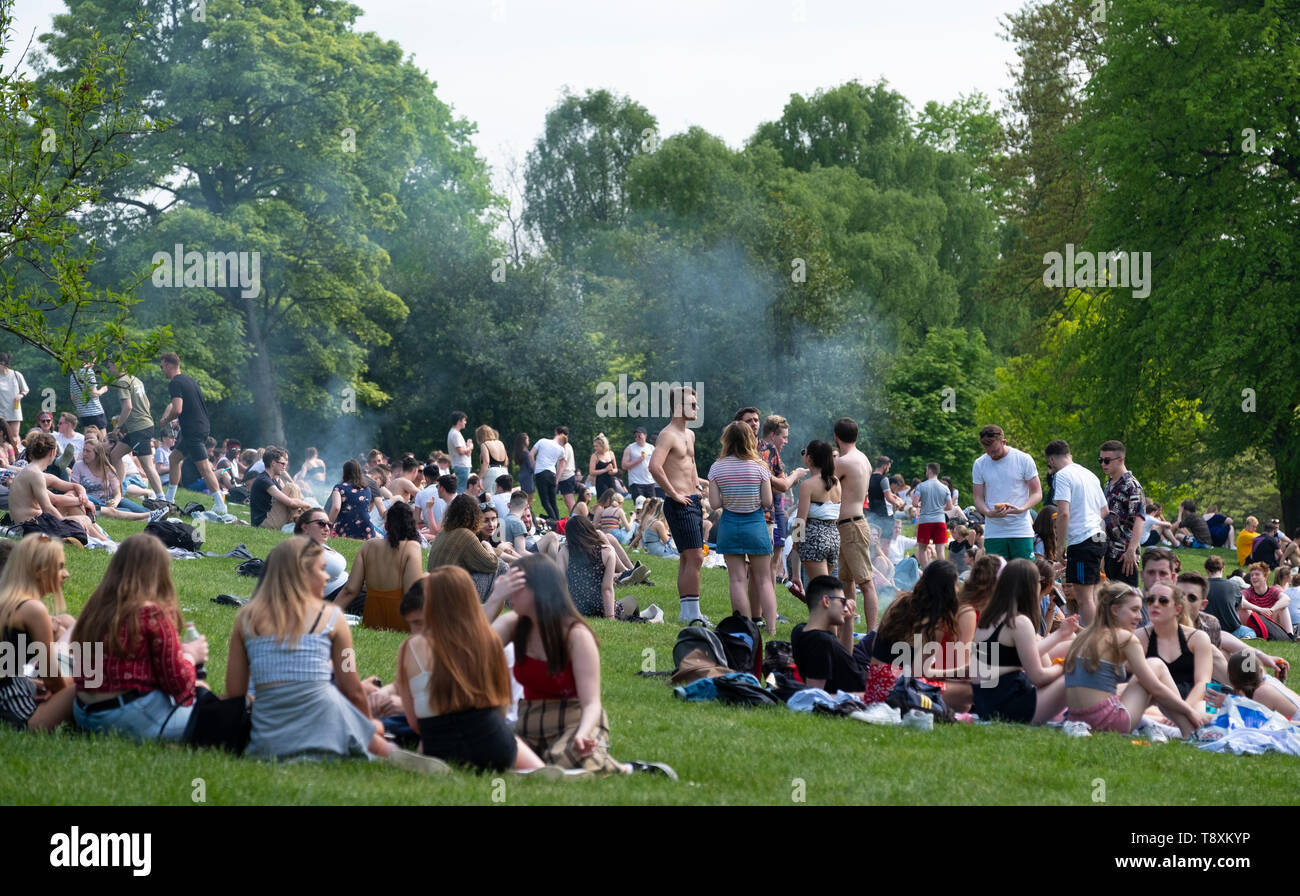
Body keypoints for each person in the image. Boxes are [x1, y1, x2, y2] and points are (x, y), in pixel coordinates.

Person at [226, 537, 445, 772]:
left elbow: (234, 694)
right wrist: (367, 724)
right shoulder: (331, 617)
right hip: (327, 727)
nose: (328, 577)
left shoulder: (246, 619)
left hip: (268, 738)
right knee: (368, 727)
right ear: (301, 575)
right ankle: (388, 751)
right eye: (321, 569)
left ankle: (383, 747)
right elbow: (351, 686)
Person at [489, 554, 676, 778]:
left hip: (574, 721)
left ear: (538, 590)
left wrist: (583, 734)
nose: (509, 594)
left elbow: (591, 703)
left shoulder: (576, 635)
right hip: (530, 720)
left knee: (561, 758)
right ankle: (546, 770)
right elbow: (474, 650)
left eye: (515, 586)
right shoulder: (514, 624)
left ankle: (628, 769)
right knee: (489, 747)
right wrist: (494, 599)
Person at [394, 567, 545, 772]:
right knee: (530, 763)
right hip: (494, 745)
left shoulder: (409, 648)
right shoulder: (489, 640)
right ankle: (538, 770)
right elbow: (501, 705)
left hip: (437, 747)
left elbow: (414, 722)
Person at [70, 535, 207, 742]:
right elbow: (178, 684)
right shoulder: (151, 614)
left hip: (83, 712)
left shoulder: (96, 608)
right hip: (124, 714)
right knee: (211, 713)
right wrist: (190, 656)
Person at [1063, 582, 1207, 737]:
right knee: (1156, 665)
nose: (1140, 616)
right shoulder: (1125, 638)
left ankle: (1180, 729)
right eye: (1134, 610)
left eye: (1140, 610)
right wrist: (1189, 711)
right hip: (1105, 721)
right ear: (1115, 610)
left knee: (1152, 673)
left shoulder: (1085, 635)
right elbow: (1155, 687)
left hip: (1076, 718)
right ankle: (1189, 731)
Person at [970, 558, 1075, 724]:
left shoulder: (989, 618)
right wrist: (1063, 666)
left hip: (987, 707)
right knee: (1076, 675)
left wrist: (1059, 635)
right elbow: (1038, 677)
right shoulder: (1019, 622)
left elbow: (1018, 657)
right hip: (1013, 709)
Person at [0, 535, 76, 731]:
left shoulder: (7, 601)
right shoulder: (34, 609)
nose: (66, 574)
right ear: (39, 572)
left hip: (11, 690)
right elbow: (52, 677)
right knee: (90, 685)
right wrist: (55, 689)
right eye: (59, 567)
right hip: (15, 706)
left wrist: (37, 683)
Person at [862, 560, 963, 704]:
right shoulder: (937, 622)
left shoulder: (899, 602)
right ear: (949, 589)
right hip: (903, 693)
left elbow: (874, 646)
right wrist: (960, 672)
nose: (958, 590)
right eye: (956, 584)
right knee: (967, 691)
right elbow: (921, 671)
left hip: (874, 689)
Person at [708, 422, 776, 632]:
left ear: (727, 440)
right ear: (750, 440)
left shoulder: (717, 467)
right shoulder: (760, 466)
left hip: (729, 525)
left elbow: (715, 504)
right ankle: (771, 628)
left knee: (737, 580)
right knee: (764, 580)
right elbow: (767, 501)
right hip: (755, 524)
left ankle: (745, 627)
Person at [649, 386, 709, 625]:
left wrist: (698, 488)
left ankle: (688, 613)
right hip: (678, 502)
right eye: (692, 404)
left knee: (689, 558)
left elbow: (690, 466)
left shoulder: (690, 435)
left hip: (692, 500)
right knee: (694, 557)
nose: (697, 408)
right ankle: (692, 613)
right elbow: (655, 466)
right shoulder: (668, 434)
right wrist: (673, 494)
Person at [1043, 440, 1107, 626]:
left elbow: (1063, 513)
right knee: (1093, 595)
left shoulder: (1062, 476)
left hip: (1081, 542)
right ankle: (1098, 634)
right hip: (1098, 539)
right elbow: (1105, 510)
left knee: (1083, 598)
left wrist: (1060, 545)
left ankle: (1091, 642)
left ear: (1052, 461)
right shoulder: (1090, 475)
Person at [333, 501, 424, 631]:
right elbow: (412, 592)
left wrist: (329, 617)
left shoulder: (368, 546)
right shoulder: (412, 547)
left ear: (386, 526)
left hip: (371, 619)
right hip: (399, 620)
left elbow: (350, 589)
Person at [156, 353, 227, 514]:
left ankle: (220, 504)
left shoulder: (175, 383)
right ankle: (169, 498)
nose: (162, 370)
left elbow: (177, 409)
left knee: (204, 468)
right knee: (174, 458)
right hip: (198, 428)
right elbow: (191, 408)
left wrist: (166, 420)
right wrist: (178, 421)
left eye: (162, 367)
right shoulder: (190, 381)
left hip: (193, 431)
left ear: (168, 365)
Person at [833, 417, 882, 633]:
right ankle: (849, 626)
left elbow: (826, 488)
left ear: (836, 437)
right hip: (852, 524)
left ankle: (872, 632)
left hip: (851, 525)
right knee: (847, 580)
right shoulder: (865, 460)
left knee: (865, 581)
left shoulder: (843, 462)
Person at [8, 433, 104, 541]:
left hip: (30, 523)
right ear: (53, 452)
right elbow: (48, 508)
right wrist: (65, 523)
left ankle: (103, 539)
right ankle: (105, 542)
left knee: (73, 496)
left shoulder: (31, 471)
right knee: (84, 519)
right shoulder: (35, 474)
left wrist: (82, 498)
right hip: (29, 527)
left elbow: (73, 486)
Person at [1134, 581, 1214, 709]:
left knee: (1205, 710)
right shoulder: (1140, 637)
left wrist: (1184, 710)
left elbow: (1203, 682)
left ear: (1178, 609)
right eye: (1150, 599)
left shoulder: (1197, 638)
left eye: (1163, 600)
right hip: (1158, 702)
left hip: (1195, 700)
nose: (1155, 604)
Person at [972, 425, 1042, 561]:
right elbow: (978, 497)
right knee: (997, 576)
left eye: (995, 450)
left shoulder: (1023, 459)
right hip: (994, 532)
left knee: (1024, 575)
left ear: (1004, 442)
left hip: (1021, 530)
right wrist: (987, 512)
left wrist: (1022, 508)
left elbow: (1037, 492)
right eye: (987, 451)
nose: (991, 454)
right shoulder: (979, 464)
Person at [425, 495, 509, 602]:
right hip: (453, 596)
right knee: (500, 564)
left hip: (436, 591)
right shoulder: (466, 535)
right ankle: (514, 602)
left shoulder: (444, 531)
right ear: (475, 515)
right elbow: (492, 564)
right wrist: (488, 546)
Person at [555, 514, 639, 621]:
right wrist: (610, 618)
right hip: (600, 608)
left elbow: (558, 584)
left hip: (575, 609)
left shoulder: (565, 552)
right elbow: (607, 589)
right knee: (632, 601)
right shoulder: (607, 552)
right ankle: (653, 615)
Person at [792, 575, 864, 691]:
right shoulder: (820, 642)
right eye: (842, 601)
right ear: (826, 601)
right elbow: (815, 695)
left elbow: (846, 661)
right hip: (866, 692)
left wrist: (848, 620)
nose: (846, 608)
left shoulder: (800, 630)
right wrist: (866, 697)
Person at [791, 439, 841, 589]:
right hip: (833, 537)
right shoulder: (836, 482)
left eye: (804, 453)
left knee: (820, 590)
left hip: (815, 539)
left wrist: (795, 546)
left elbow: (800, 521)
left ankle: (828, 613)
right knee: (826, 586)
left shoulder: (808, 485)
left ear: (810, 459)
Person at [1098, 440, 1145, 588]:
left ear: (1121, 460)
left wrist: (1131, 550)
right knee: (1108, 603)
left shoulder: (1131, 485)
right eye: (1101, 460)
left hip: (1125, 556)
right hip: (1108, 553)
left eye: (1107, 460)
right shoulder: (1108, 484)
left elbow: (1139, 518)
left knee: (1126, 601)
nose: (1103, 464)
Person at [294, 510, 350, 604]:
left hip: (350, 588)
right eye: (321, 523)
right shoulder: (303, 550)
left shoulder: (320, 545)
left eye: (329, 524)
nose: (327, 528)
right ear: (305, 527)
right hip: (342, 595)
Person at [250, 447, 312, 529]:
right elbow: (290, 502)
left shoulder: (272, 479)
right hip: (264, 522)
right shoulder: (264, 480)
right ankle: (301, 523)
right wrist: (308, 506)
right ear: (273, 463)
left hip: (269, 518)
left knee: (292, 487)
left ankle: (300, 522)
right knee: (291, 487)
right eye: (282, 464)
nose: (285, 466)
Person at [913, 462, 954, 567]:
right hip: (940, 521)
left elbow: (914, 503)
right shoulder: (945, 488)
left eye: (926, 470)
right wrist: (940, 508)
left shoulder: (921, 486)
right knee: (940, 550)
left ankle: (926, 573)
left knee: (922, 549)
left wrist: (921, 505)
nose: (926, 472)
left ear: (930, 470)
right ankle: (941, 573)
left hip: (925, 521)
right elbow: (950, 507)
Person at [327, 459, 381, 540]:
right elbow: (367, 508)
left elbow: (336, 508)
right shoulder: (367, 489)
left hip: (346, 528)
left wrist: (328, 526)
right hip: (366, 528)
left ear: (344, 472)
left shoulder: (339, 488)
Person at [1240, 561, 1293, 636]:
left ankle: (1290, 635)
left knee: (1283, 607)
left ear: (1265, 577)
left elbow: (1286, 599)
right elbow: (1239, 600)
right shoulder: (1248, 592)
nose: (1253, 577)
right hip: (1255, 624)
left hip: (1272, 624)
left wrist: (1272, 609)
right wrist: (1260, 609)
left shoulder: (1273, 590)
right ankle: (1250, 635)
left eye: (1257, 574)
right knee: (1242, 608)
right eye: (1252, 575)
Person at [866, 455, 904, 556]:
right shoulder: (884, 479)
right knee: (885, 545)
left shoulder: (869, 477)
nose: (888, 469)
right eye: (889, 467)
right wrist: (898, 503)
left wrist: (892, 496)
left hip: (873, 514)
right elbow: (888, 498)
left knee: (873, 544)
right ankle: (885, 569)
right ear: (885, 466)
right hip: (885, 515)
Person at [529, 426, 568, 522]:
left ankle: (555, 522)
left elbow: (531, 454)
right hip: (552, 475)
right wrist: (557, 479)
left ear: (556, 435)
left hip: (541, 473)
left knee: (545, 502)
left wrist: (534, 466)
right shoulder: (561, 450)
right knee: (553, 502)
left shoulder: (542, 441)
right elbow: (562, 464)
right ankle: (559, 524)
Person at [69, 357, 108, 432]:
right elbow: (93, 394)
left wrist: (82, 408)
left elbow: (73, 397)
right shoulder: (89, 372)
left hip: (83, 413)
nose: (93, 364)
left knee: (88, 439)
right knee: (102, 440)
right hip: (95, 412)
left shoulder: (73, 375)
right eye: (94, 361)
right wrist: (103, 390)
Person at [0, 352, 30, 446]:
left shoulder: (16, 375)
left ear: (3, 363)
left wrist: (21, 395)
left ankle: (17, 457)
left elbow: (26, 389)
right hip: (0, 411)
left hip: (14, 410)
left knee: (14, 436)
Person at [622, 426, 656, 501]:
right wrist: (638, 460)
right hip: (636, 482)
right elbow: (624, 466)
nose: (637, 437)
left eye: (639, 436)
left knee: (652, 507)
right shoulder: (630, 448)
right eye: (635, 436)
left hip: (650, 481)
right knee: (640, 507)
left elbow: (656, 464)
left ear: (645, 436)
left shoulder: (651, 448)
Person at [476, 425, 509, 494]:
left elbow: (486, 462)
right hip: (504, 472)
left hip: (492, 473)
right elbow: (506, 462)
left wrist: (479, 478)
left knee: (486, 498)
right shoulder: (500, 443)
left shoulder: (484, 444)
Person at [447, 412, 474, 492]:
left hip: (461, 465)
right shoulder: (455, 434)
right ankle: (459, 505)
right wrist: (470, 447)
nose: (465, 422)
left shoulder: (455, 433)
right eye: (464, 420)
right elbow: (461, 451)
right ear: (459, 421)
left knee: (461, 489)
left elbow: (466, 453)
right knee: (461, 490)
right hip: (462, 466)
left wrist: (467, 447)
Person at [513, 433, 535, 508]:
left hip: (522, 475)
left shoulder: (520, 452)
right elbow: (530, 467)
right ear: (524, 441)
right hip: (528, 476)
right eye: (527, 439)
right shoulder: (526, 453)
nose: (529, 440)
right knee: (529, 499)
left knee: (524, 497)